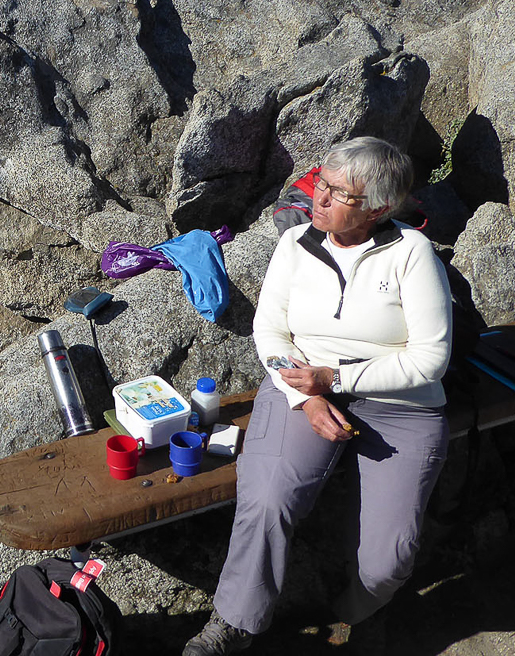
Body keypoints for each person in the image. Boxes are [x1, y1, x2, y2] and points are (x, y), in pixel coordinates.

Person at [184, 136, 453, 655]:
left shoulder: (413, 255)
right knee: (267, 500)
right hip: (300, 388)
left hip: (402, 404)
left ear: (378, 207)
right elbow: (270, 334)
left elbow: (429, 359)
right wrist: (307, 396)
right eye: (321, 184)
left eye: (338, 194)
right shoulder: (295, 245)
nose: (320, 199)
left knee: (389, 560)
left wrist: (336, 380)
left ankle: (353, 610)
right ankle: (235, 622)